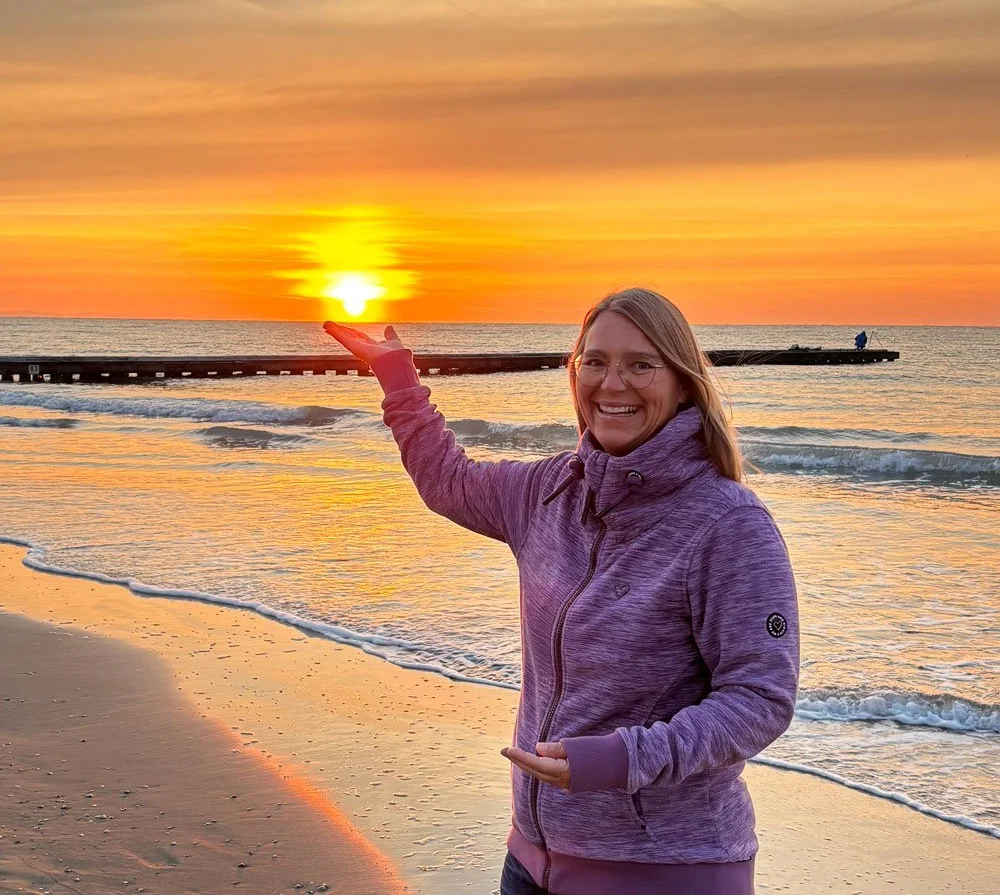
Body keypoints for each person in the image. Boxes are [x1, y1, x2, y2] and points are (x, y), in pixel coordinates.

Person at [323, 287, 799, 895]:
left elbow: (760, 698)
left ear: (683, 383)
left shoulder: (728, 525)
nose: (613, 383)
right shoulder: (549, 490)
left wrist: (624, 759)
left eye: (640, 364)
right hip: (531, 859)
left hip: (663, 871)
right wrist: (397, 376)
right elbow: (448, 482)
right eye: (594, 361)